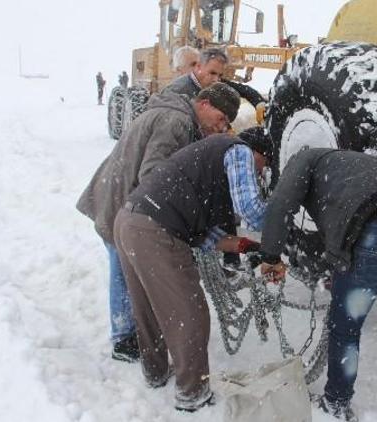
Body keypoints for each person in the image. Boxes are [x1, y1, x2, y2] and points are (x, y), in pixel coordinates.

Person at [259, 149, 377, 421]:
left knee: (346, 327)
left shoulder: (303, 160)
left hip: (375, 232)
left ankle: (336, 401)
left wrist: (270, 255)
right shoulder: (352, 162)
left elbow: (281, 204)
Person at [76, 83, 240, 363]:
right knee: (123, 271)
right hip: (122, 202)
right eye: (222, 118)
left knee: (127, 269)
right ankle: (123, 337)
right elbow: (153, 173)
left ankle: (132, 332)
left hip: (120, 197)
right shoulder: (176, 122)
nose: (222, 126)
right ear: (204, 104)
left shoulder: (176, 115)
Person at [113, 131, 272, 412]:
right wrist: (283, 223)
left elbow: (205, 237)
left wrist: (247, 246)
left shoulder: (204, 168)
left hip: (129, 220)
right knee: (190, 313)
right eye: (264, 165)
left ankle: (156, 372)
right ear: (257, 152)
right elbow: (251, 210)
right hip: (156, 231)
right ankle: (193, 394)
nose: (260, 174)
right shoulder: (239, 151)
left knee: (148, 307)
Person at [165, 47, 266, 107]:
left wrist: (260, 104)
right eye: (193, 64)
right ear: (179, 70)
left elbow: (244, 90)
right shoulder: (175, 93)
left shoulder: (212, 82)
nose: (216, 79)